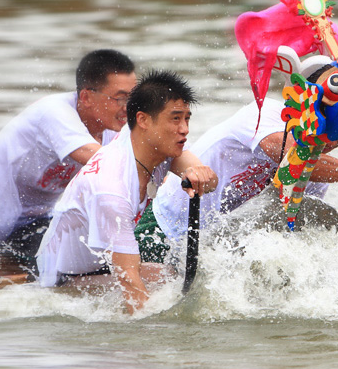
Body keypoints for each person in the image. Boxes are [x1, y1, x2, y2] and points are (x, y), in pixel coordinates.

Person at [135, 93, 338, 262]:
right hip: (166, 227)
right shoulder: (264, 113)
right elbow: (288, 158)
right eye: (334, 126)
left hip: (210, 247)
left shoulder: (321, 170)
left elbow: (290, 225)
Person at [36, 70, 218, 314]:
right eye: (175, 119)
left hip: (98, 265)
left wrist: (199, 173)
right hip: (64, 283)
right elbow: (131, 285)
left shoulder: (144, 144)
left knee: (178, 275)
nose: (184, 129)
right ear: (142, 120)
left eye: (187, 118)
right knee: (161, 282)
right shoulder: (111, 189)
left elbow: (210, 182)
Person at [0, 49, 136, 274]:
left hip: (35, 220)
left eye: (133, 98)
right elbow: (106, 161)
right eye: (120, 98)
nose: (128, 108)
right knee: (74, 268)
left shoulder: (113, 126)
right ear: (86, 97)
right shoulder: (54, 112)